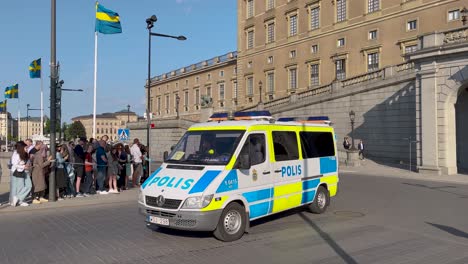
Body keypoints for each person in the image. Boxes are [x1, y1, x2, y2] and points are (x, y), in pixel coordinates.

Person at [10, 141, 32, 207]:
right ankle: (19, 201)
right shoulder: (16, 154)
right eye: (25, 146)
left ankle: (18, 198)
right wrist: (23, 166)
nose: (26, 147)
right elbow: (14, 164)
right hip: (18, 171)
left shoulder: (23, 153)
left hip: (24, 171)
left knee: (29, 185)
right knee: (19, 187)